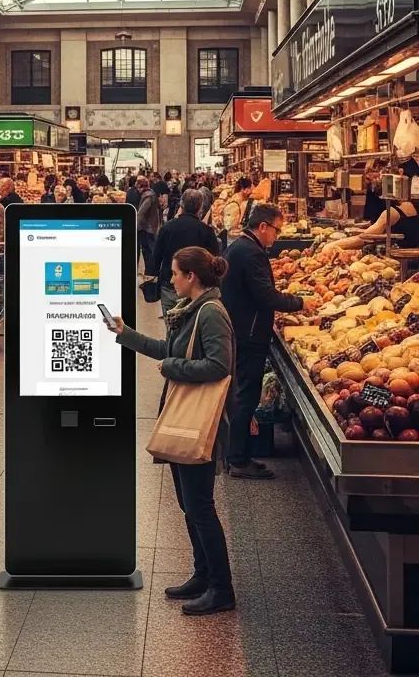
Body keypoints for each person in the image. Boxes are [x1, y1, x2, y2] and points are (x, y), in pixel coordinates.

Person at [104, 247, 236, 616]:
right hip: (183, 419)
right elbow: (169, 348)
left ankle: (221, 589)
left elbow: (219, 365)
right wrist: (126, 333)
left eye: (176, 274)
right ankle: (202, 574)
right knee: (188, 505)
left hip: (199, 421)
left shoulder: (211, 313)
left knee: (200, 507)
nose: (171, 279)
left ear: (191, 276)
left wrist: (172, 367)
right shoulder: (193, 311)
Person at [222, 203, 316, 479]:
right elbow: (265, 296)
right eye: (276, 229)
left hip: (242, 327)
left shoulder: (242, 247)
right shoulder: (251, 253)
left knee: (243, 393)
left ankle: (239, 455)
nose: (277, 235)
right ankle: (238, 460)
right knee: (246, 395)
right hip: (249, 333)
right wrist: (301, 302)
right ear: (262, 227)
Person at [149, 190, 220, 315]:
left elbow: (156, 256)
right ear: (200, 208)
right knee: (192, 327)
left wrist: (152, 275)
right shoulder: (206, 231)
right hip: (196, 287)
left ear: (181, 206)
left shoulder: (167, 228)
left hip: (169, 283)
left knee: (171, 326)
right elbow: (214, 258)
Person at [321, 196, 419, 254]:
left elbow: (364, 237)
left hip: (402, 260)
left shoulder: (391, 213)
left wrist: (331, 246)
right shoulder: (410, 208)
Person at [136, 177, 161, 272]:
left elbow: (141, 213)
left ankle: (150, 272)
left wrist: (135, 226)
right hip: (150, 226)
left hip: (148, 228)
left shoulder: (147, 196)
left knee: (148, 251)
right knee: (148, 251)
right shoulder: (151, 194)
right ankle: (150, 271)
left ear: (139, 186)